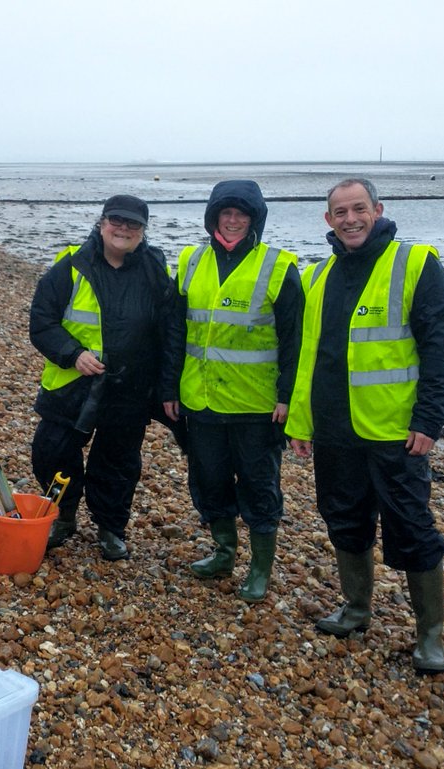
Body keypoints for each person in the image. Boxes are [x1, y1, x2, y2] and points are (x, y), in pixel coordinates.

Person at [286, 178, 444, 674]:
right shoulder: (318, 275)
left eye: (358, 208)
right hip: (336, 431)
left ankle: (430, 635)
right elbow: (308, 360)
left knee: (411, 528)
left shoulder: (416, 262)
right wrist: (301, 422)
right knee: (344, 519)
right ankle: (357, 608)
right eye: (339, 212)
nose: (349, 219)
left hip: (395, 432)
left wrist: (429, 418)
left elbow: (440, 346)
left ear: (378, 210)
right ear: (328, 221)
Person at [164, 180, 302, 602]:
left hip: (255, 406)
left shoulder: (279, 266)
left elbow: (296, 340)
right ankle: (224, 552)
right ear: (213, 216)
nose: (233, 218)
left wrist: (288, 398)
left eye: (242, 212)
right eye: (225, 212)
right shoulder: (189, 260)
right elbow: (174, 331)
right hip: (200, 399)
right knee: (209, 480)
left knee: (260, 487)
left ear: (255, 218)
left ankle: (260, 569)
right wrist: (168, 386)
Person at [31, 195, 174, 561]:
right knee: (52, 450)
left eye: (133, 224)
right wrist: (73, 353)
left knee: (118, 461)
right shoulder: (70, 264)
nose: (123, 229)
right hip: (72, 383)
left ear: (143, 231)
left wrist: (165, 384)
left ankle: (111, 528)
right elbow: (42, 322)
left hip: (129, 387)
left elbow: (171, 328)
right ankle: (63, 515)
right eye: (116, 221)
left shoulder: (155, 269)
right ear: (101, 223)